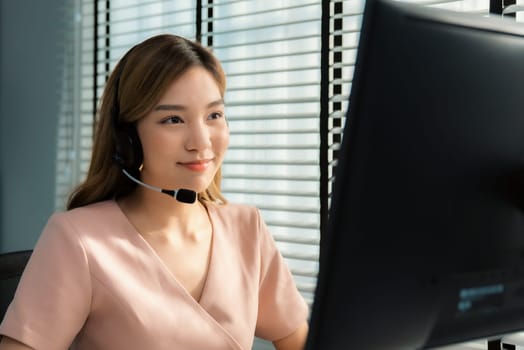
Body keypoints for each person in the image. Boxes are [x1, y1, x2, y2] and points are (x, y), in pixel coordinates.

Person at [0, 34, 309, 350]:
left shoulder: (247, 229)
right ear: (127, 140)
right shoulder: (78, 240)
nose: (201, 142)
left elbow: (299, 340)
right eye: (173, 119)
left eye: (214, 115)